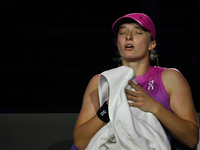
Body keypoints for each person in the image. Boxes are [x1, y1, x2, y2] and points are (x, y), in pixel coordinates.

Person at [72, 13, 199, 150]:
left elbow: (191, 139)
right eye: (122, 33)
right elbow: (80, 142)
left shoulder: (170, 78)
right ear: (118, 44)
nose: (128, 36)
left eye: (137, 32)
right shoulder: (101, 81)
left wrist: (153, 107)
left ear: (151, 44)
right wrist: (109, 107)